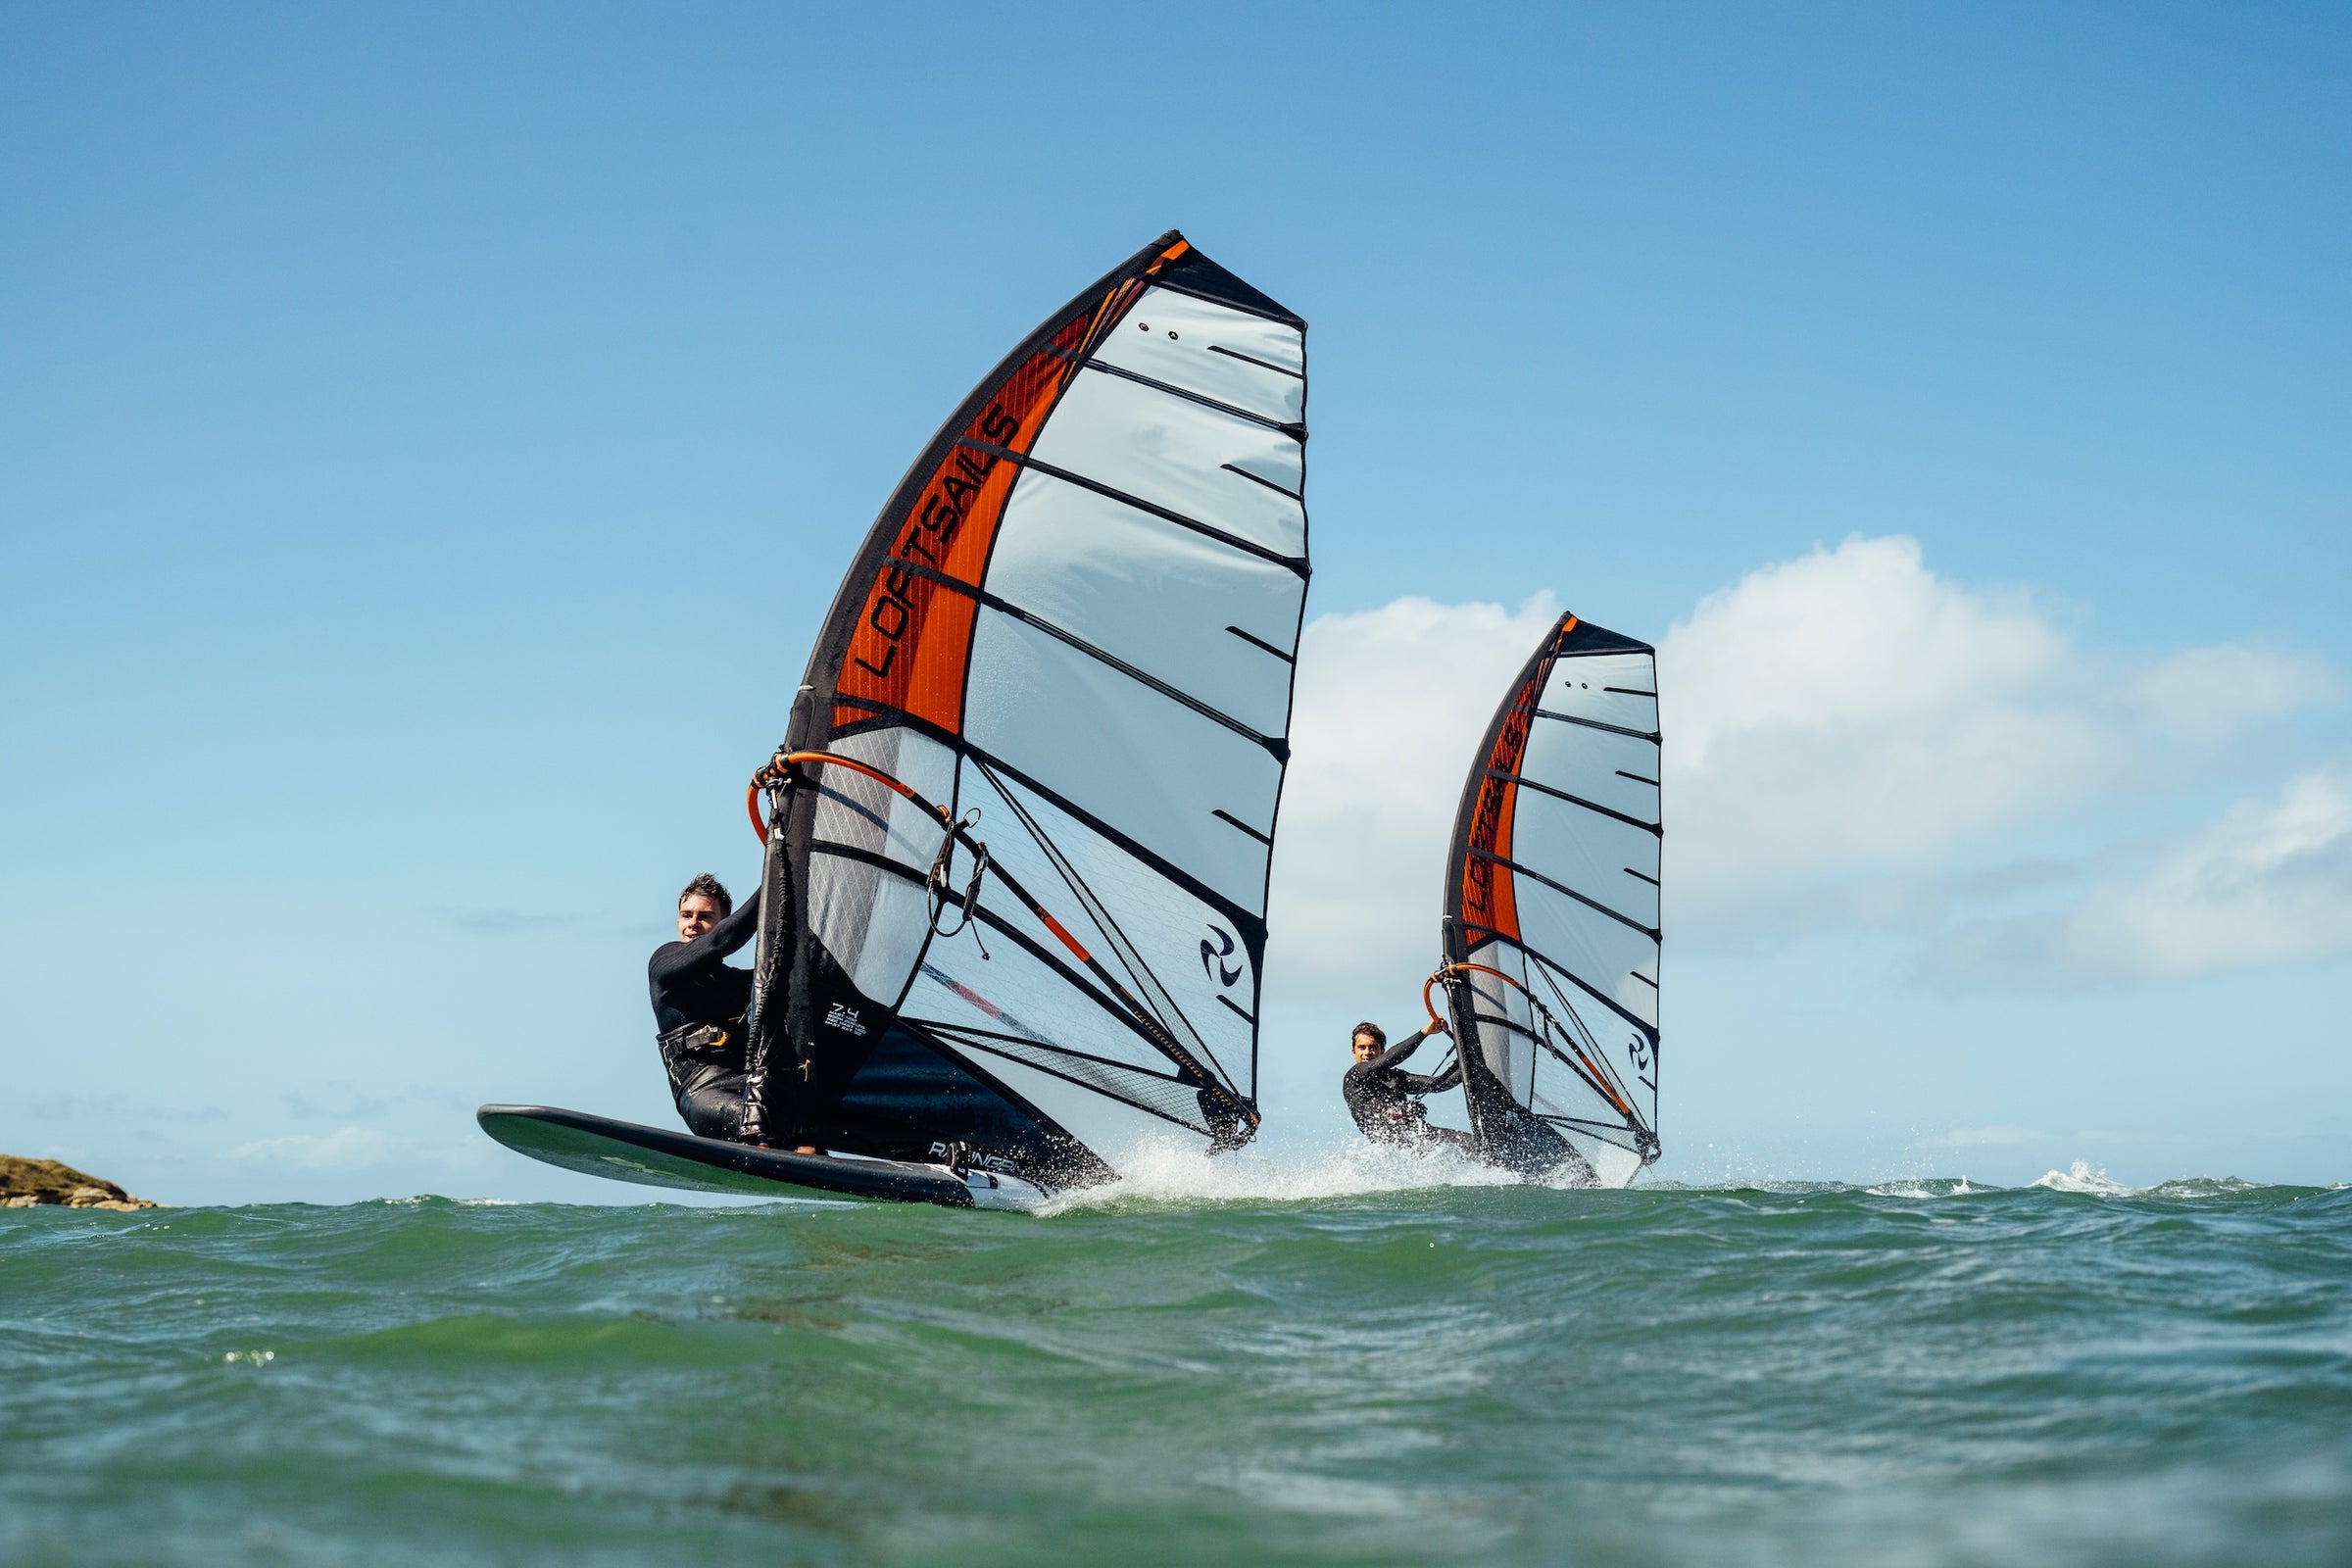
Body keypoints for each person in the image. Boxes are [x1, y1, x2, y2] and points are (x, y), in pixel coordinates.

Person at [648, 873, 768, 1142]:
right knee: (761, 1118)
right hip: (701, 1092)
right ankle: (775, 1154)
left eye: (704, 916)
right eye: (686, 915)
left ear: (722, 922)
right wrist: (781, 870)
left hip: (751, 1084)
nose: (693, 924)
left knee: (802, 1117)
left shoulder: (739, 983)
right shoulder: (663, 964)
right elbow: (721, 942)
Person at [1342, 1017, 1473, 1153]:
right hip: (1392, 1149)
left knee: (1474, 1143)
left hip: (1419, 1137)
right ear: (1354, 1052)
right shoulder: (1355, 1076)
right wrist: (1424, 1033)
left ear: (1382, 1050)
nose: (1367, 1052)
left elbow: (1439, 1084)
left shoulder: (1395, 1078)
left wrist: (1467, 1062)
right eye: (1361, 1047)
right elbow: (1389, 1059)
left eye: (1373, 1047)